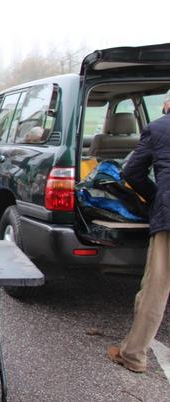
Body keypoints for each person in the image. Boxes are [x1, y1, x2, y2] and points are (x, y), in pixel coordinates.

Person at [107, 91, 170, 373]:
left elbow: (132, 172)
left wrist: (156, 198)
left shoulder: (158, 127)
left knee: (156, 289)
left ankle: (133, 356)